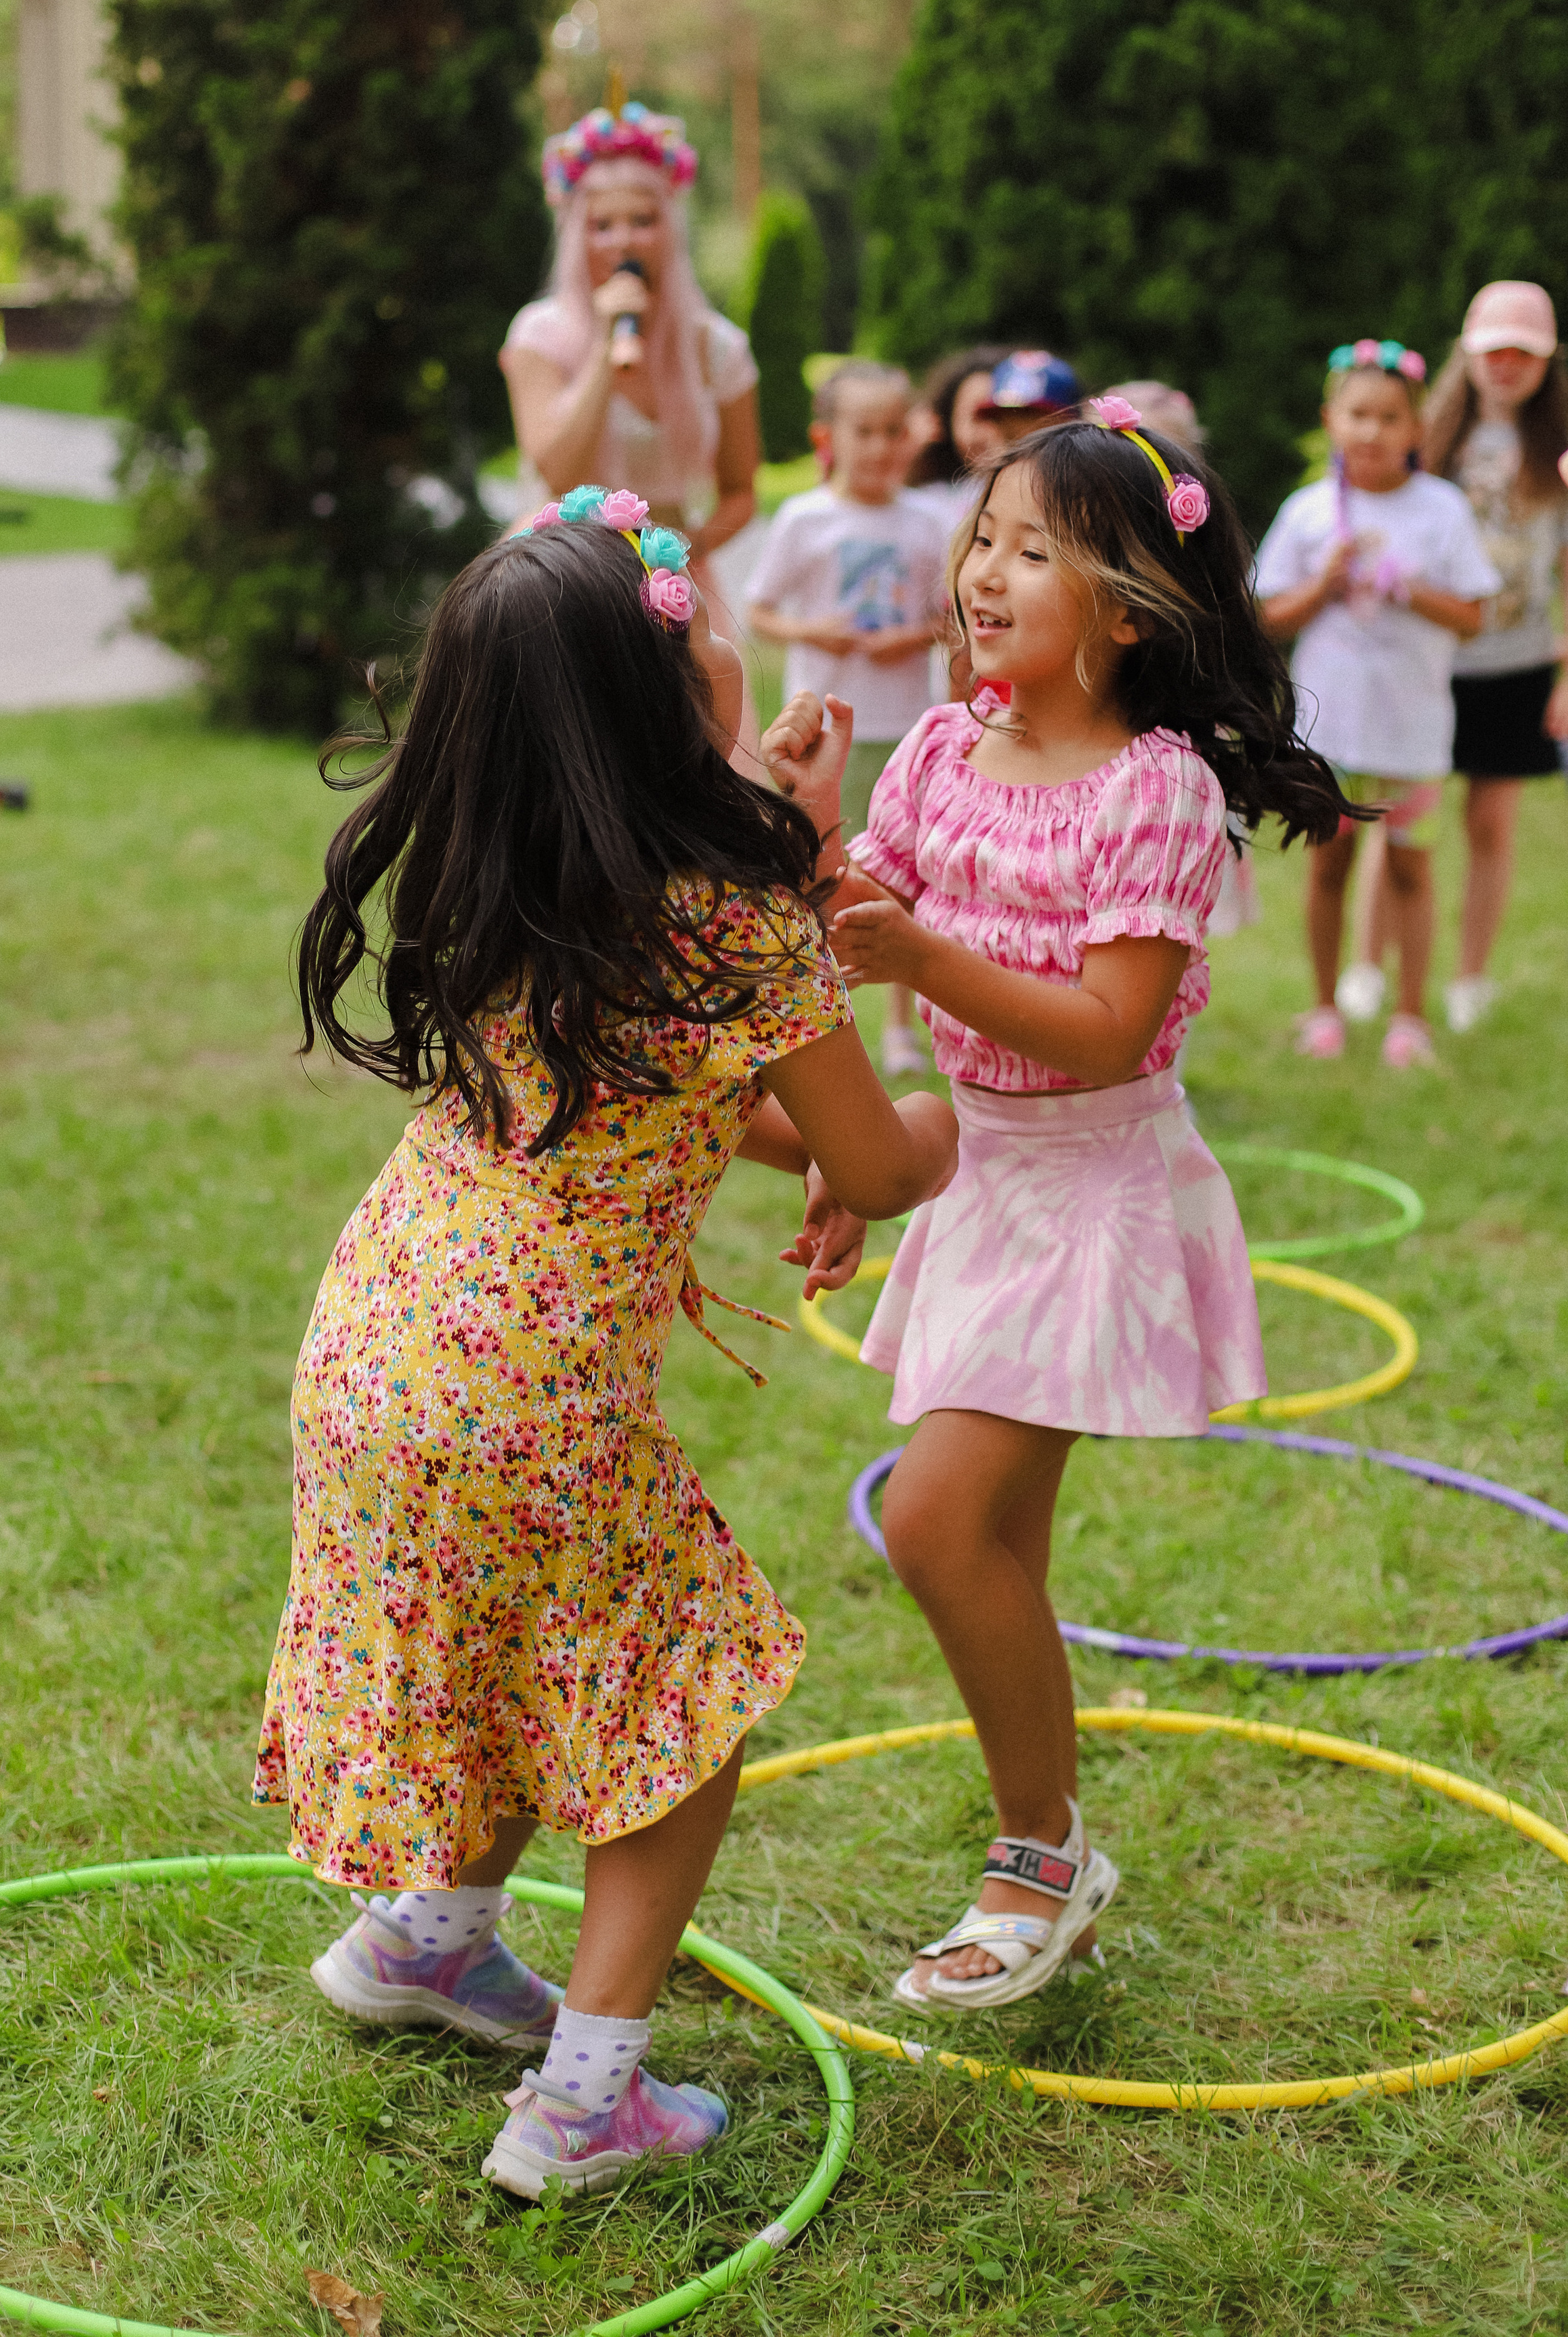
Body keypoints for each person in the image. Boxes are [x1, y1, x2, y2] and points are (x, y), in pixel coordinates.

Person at [253, 491, 956, 2199]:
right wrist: (948, 1121)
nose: (727, 639)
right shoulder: (734, 921)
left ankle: (426, 1940)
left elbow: (677, 1088)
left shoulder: (508, 875)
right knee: (676, 1718)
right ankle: (585, 2101)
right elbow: (869, 1157)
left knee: (511, 1653)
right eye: (694, 620)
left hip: (375, 1359)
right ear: (654, 704)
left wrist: (778, 847)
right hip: (529, 1400)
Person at [763, 398, 1349, 2014]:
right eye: (984, 537)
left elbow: (1099, 1026)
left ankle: (1039, 1854)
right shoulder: (945, 743)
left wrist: (919, 956)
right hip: (977, 1167)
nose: (984, 570)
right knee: (989, 1531)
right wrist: (814, 829)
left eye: (1034, 549)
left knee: (939, 1518)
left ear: (1125, 604)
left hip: (1094, 1187)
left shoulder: (1150, 788)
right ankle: (1048, 1849)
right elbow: (858, 907)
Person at [1255, 339, 1498, 1067]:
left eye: (1389, 417)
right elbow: (1267, 618)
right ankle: (1325, 1009)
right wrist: (1324, 583)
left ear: (1415, 429)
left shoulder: (1441, 511)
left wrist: (1408, 588)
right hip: (1330, 734)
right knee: (1328, 866)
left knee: (1409, 872)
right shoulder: (1306, 513)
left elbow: (1472, 615)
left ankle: (1409, 1016)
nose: (1371, 431)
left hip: (1412, 733)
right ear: (1330, 420)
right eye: (1357, 414)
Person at [498, 103, 762, 757]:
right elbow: (556, 469)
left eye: (642, 222)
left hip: (675, 576)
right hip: (557, 573)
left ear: (668, 230)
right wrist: (604, 354)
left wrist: (683, 547)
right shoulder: (541, 336)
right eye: (602, 225)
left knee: (689, 761)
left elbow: (741, 493)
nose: (623, 242)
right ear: (576, 235)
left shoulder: (718, 349)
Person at [1342, 284, 1568, 1034]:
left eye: (1523, 353)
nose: (1505, 365)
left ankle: (1469, 978)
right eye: (1493, 349)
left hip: (1518, 658)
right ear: (1467, 353)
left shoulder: (1558, 445)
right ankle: (1367, 967)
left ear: (1545, 361)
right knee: (1398, 819)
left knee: (1489, 826)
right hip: (1426, 659)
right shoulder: (1426, 437)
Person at [744, 360, 952, 1078]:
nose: (881, 446)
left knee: (901, 880)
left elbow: (947, 614)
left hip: (904, 730)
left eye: (895, 430)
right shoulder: (805, 518)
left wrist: (918, 634)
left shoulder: (930, 520)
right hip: (825, 738)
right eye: (865, 431)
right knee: (818, 874)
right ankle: (816, 1016)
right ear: (828, 436)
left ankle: (898, 1024)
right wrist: (812, 632)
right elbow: (760, 609)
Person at [905, 344, 1013, 540]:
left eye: (1003, 418)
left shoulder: (1047, 495)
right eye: (978, 417)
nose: (992, 433)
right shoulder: (929, 499)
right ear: (947, 423)